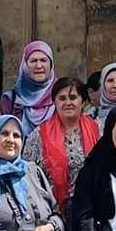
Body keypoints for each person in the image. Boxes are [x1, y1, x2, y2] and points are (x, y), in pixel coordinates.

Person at [24, 76, 98, 210]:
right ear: (54, 102)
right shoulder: (39, 135)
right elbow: (28, 175)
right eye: (62, 98)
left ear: (83, 102)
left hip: (92, 208)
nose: (68, 102)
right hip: (53, 211)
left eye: (73, 97)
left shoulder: (98, 130)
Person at [0, 41, 57, 129]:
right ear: (25, 65)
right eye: (33, 61)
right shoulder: (10, 99)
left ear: (51, 64)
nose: (38, 65)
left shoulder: (60, 97)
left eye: (43, 60)